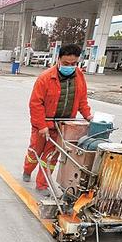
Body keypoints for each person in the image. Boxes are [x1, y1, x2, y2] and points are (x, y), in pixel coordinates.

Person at [22, 44, 93, 196]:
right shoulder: (46, 78)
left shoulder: (79, 76)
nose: (70, 66)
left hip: (62, 126)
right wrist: (41, 125)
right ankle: (27, 169)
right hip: (42, 125)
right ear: (58, 59)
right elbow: (35, 104)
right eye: (66, 63)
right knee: (35, 152)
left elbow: (82, 100)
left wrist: (88, 116)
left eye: (73, 64)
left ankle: (42, 184)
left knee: (51, 157)